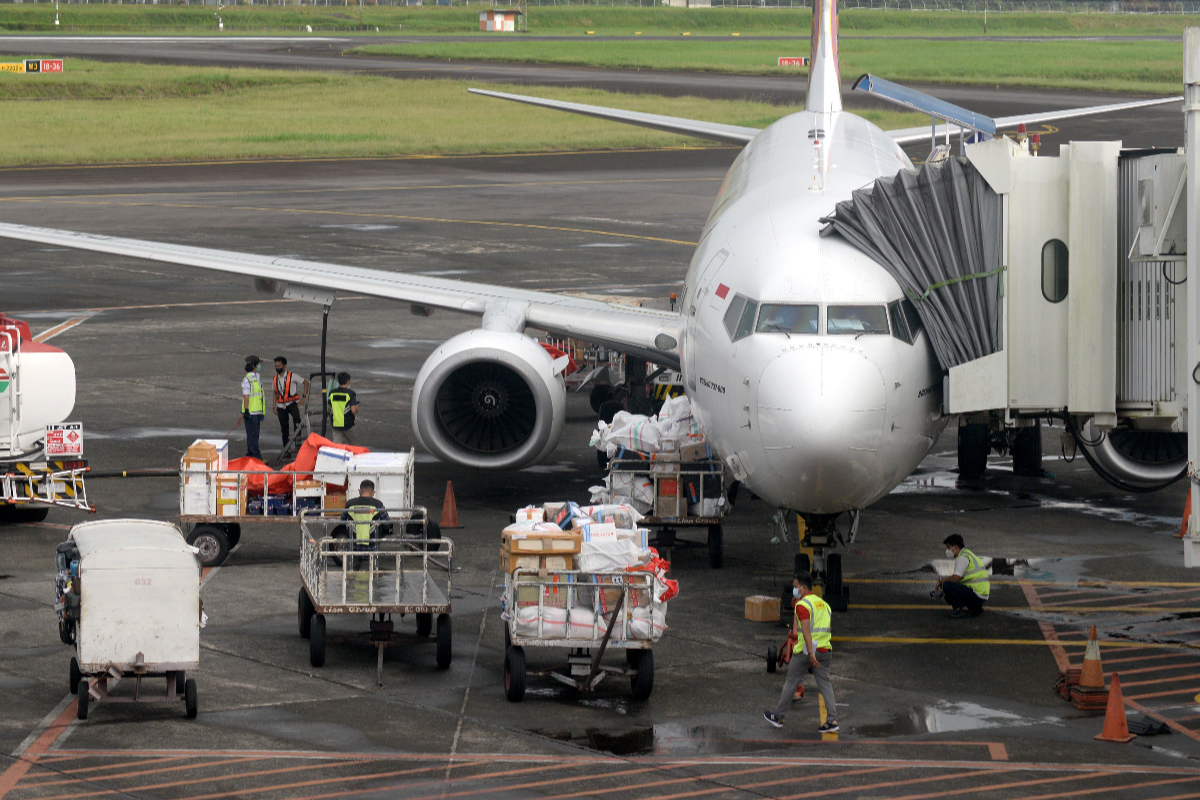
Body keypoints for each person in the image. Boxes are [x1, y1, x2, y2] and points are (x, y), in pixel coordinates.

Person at [764, 571, 839, 733]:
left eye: (796, 586)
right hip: (826, 650)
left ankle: (778, 717)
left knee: (791, 682)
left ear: (803, 588)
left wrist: (810, 653)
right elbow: (829, 629)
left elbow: (805, 631)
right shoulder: (824, 605)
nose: (794, 589)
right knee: (825, 684)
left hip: (807, 652)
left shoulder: (802, 605)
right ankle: (832, 721)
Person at [937, 534, 990, 618]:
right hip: (981, 595)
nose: (948, 550)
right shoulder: (968, 554)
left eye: (949, 548)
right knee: (947, 593)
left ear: (956, 548)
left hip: (977, 595)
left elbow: (955, 579)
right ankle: (974, 608)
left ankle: (964, 610)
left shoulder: (963, 558)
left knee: (947, 585)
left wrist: (941, 581)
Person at [341, 480, 391, 560]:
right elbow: (387, 523)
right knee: (371, 569)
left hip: (353, 547)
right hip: (372, 547)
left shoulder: (350, 504)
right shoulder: (378, 505)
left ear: (359, 491)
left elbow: (342, 521)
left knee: (353, 570)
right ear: (373, 492)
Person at [272, 356, 309, 448]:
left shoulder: (292, 376)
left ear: (284, 366)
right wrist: (274, 406)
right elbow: (275, 393)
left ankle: (298, 445)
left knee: (297, 424)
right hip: (281, 406)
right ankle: (286, 448)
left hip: (293, 404)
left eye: (279, 366)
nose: (277, 368)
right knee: (284, 429)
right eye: (276, 366)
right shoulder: (275, 379)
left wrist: (304, 397)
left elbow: (306, 383)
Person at [241, 355, 265, 460]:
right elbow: (246, 396)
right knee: (253, 436)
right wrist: (246, 411)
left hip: (257, 412)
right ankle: (256, 456)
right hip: (251, 413)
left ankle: (251, 455)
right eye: (258, 364)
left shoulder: (257, 377)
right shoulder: (248, 379)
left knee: (254, 435)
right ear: (254, 366)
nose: (259, 366)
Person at [328, 372, 359, 445]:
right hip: (348, 424)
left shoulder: (332, 393)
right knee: (353, 446)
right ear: (348, 382)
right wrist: (357, 407)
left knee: (337, 448)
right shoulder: (350, 394)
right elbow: (353, 410)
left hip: (336, 425)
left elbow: (330, 409)